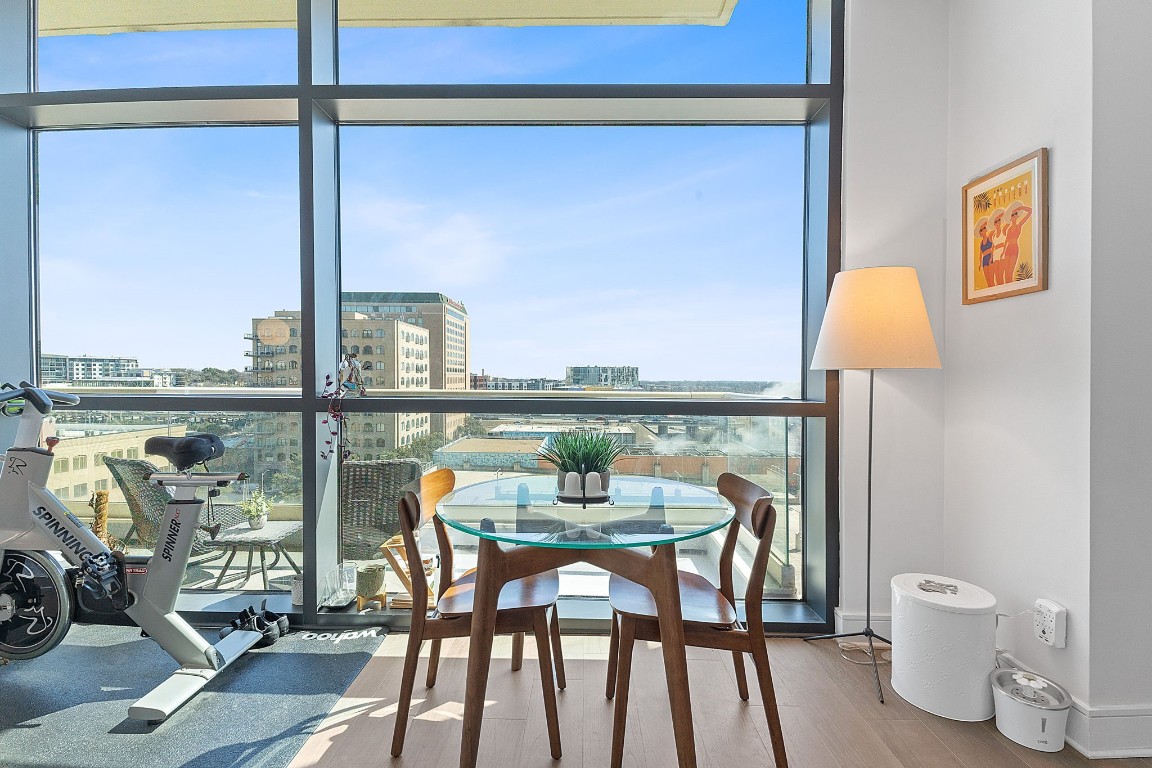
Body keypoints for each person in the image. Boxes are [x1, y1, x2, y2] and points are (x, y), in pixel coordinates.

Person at [1001, 201, 1033, 283]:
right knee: (1006, 272)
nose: (1014, 216)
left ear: (1017, 216)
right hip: (1008, 249)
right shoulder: (1008, 229)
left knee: (1010, 271)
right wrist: (1003, 252)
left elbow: (1030, 211)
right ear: (1010, 217)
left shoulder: (1019, 225)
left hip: (1014, 248)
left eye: (1015, 214)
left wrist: (1020, 208)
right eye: (1012, 215)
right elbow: (1006, 240)